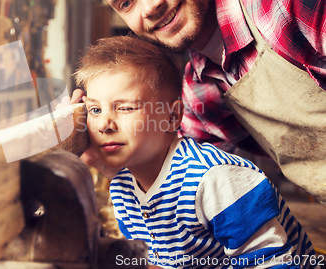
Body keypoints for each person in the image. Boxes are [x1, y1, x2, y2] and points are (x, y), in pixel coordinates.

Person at [77, 0, 326, 204]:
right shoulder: (198, 96)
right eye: (126, 3)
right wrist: (103, 156)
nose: (149, 7)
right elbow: (175, 188)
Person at [74, 35, 319, 268]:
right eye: (95, 110)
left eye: (126, 108)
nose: (105, 124)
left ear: (172, 117)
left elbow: (276, 264)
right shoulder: (123, 188)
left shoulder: (213, 180)